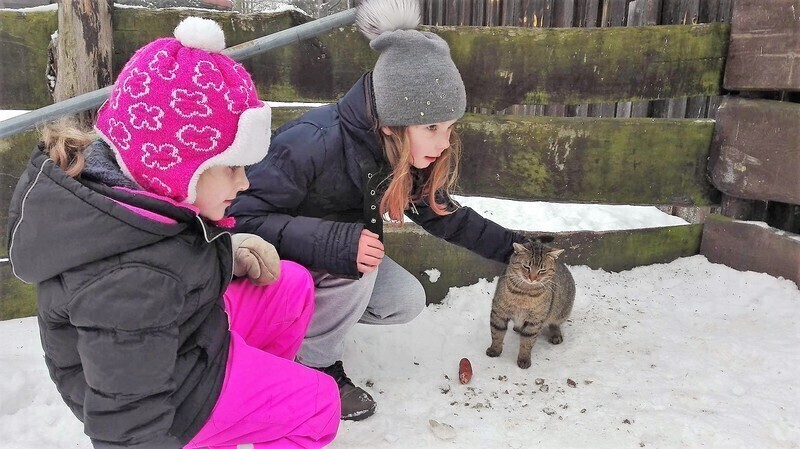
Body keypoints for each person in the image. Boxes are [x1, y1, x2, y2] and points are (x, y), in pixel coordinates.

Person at [7, 17, 340, 448]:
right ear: (178, 167)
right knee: (319, 403)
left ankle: (251, 414)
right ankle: (225, 425)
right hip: (169, 401)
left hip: (182, 340)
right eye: (233, 167)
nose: (244, 184)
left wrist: (226, 251)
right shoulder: (131, 279)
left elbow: (173, 254)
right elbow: (127, 426)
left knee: (289, 286)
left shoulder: (145, 198)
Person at [229, 0, 528, 421]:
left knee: (404, 300)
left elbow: (447, 218)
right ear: (391, 120)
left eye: (448, 128)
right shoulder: (312, 142)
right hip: (268, 268)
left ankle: (305, 333)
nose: (443, 142)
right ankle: (314, 367)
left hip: (339, 260)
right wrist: (333, 242)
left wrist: (520, 250)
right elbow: (239, 218)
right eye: (431, 128)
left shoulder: (399, 152)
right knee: (358, 265)